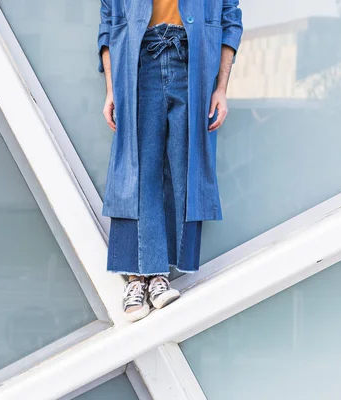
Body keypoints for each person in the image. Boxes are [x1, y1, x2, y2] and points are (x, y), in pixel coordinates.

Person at [98, 0, 243, 321]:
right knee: (138, 169)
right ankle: (140, 278)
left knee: (183, 169)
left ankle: (158, 275)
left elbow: (230, 20)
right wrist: (112, 90)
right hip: (139, 62)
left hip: (192, 64)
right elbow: (108, 25)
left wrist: (221, 88)